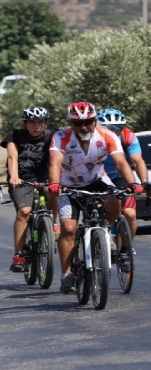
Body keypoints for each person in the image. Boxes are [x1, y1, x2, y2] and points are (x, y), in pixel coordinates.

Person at [48, 101, 142, 294]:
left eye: (89, 122)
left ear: (95, 120)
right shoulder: (60, 137)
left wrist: (133, 183)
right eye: (77, 123)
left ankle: (106, 231)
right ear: (70, 122)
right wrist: (55, 184)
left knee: (116, 199)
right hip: (69, 183)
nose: (83, 127)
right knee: (68, 229)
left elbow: (120, 162)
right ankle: (67, 274)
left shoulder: (107, 135)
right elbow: (55, 163)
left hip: (97, 179)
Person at [0, 106, 57, 272]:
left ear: (45, 123)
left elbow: (58, 158)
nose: (36, 126)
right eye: (32, 122)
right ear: (25, 123)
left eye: (40, 122)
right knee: (24, 212)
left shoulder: (52, 136)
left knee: (54, 192)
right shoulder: (15, 135)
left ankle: (54, 223)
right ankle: (19, 254)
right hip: (22, 179)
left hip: (46, 177)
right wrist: (14, 176)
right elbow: (12, 156)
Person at [98, 108, 150, 238]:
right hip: (97, 177)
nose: (114, 132)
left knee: (130, 214)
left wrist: (144, 182)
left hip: (119, 176)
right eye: (110, 128)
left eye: (118, 128)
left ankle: (125, 250)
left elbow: (138, 161)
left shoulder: (128, 137)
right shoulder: (92, 139)